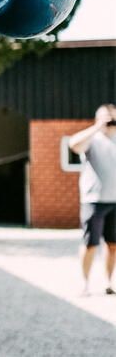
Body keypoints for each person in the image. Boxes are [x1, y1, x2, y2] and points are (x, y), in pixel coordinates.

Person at [68, 104, 116, 296]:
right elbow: (73, 144)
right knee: (90, 244)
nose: (110, 119)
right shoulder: (92, 139)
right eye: (106, 116)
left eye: (112, 116)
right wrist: (97, 126)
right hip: (94, 200)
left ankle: (109, 283)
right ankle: (85, 284)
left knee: (113, 245)